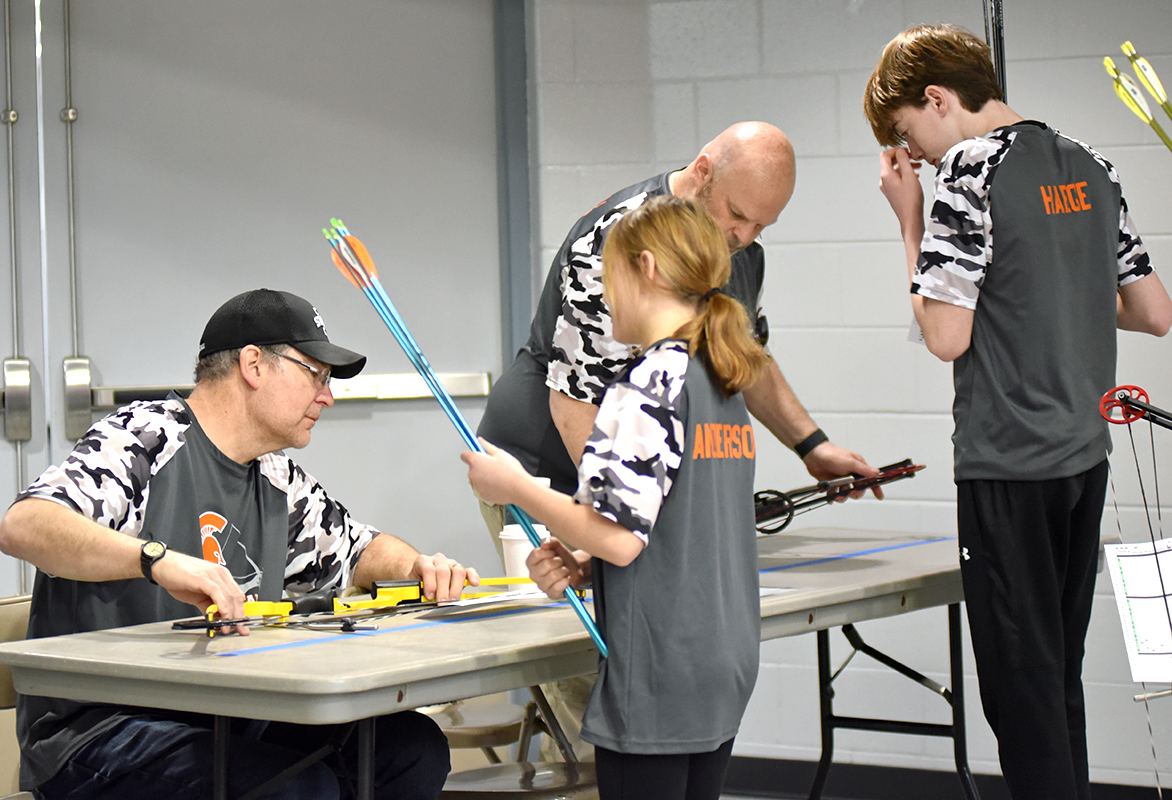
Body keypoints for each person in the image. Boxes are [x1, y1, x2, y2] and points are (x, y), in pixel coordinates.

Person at [475, 122, 881, 759]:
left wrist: (811, 444)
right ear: (702, 172)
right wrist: (610, 525)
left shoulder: (733, 261)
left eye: (760, 228)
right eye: (738, 216)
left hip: (635, 487)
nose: (743, 238)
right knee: (592, 688)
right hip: (554, 463)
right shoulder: (615, 244)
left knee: (643, 690)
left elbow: (741, 356)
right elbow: (573, 404)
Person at [0, 288, 481, 800]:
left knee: (410, 750)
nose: (327, 395)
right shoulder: (145, 437)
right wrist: (155, 560)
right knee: (298, 788)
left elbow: (357, 549)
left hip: (226, 716)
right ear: (253, 364)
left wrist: (418, 566)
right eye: (315, 374)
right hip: (99, 730)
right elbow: (25, 525)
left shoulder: (274, 474)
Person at [864, 24, 1172, 800]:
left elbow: (944, 334)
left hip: (1008, 465)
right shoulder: (1091, 163)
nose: (918, 157)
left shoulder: (967, 173)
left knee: (1018, 691)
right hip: (1082, 461)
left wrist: (908, 221)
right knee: (1055, 674)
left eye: (908, 134)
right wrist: (1052, 288)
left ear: (936, 99)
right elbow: (1153, 312)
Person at [465, 196, 767, 800]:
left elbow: (620, 540)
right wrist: (586, 564)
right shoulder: (722, 375)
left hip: (660, 668)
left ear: (647, 268)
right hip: (721, 659)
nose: (604, 296)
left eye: (608, 278)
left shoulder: (645, 382)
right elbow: (672, 526)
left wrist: (517, 488)